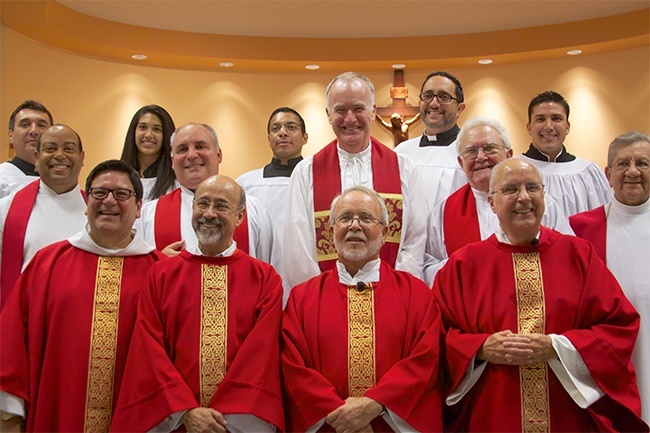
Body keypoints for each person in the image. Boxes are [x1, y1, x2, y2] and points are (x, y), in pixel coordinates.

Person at [432, 158, 646, 432]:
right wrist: (481, 349)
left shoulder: (579, 255)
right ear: (491, 202)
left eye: (532, 187)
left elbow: (618, 327)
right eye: (510, 189)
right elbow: (437, 337)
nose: (524, 198)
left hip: (568, 414)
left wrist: (557, 347)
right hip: (492, 412)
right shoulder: (463, 265)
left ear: (544, 196)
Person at [0, 160, 165, 433]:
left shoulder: (160, 272)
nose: (109, 201)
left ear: (138, 208)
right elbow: (11, 344)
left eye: (122, 194)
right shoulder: (47, 264)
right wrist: (9, 416)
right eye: (99, 193)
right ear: (86, 204)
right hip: (58, 415)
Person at [111, 175, 284, 433]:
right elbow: (148, 349)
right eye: (202, 204)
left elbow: (261, 355)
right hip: (177, 421)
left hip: (237, 425)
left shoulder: (264, 278)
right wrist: (185, 411)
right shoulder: (162, 275)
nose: (209, 213)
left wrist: (224, 417)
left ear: (239, 217)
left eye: (221, 206)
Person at [282, 186, 443, 432]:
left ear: (385, 231)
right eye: (345, 218)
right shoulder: (302, 298)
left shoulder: (416, 294)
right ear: (331, 229)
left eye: (366, 218)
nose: (354, 226)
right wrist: (342, 417)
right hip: (330, 426)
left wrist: (375, 405)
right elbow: (294, 367)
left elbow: (425, 361)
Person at [283, 72, 427, 293]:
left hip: (391, 297)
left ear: (373, 112)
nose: (350, 119)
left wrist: (396, 290)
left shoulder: (403, 168)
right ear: (328, 114)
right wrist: (320, 296)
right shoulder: (306, 172)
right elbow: (297, 248)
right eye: (340, 110)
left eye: (359, 108)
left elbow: (415, 239)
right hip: (326, 301)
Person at [423, 117, 573, 285]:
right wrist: (468, 267)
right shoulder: (444, 211)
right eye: (471, 151)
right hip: (473, 306)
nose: (480, 157)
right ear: (461, 161)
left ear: (508, 154)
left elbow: (566, 254)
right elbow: (428, 266)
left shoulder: (539, 202)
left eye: (489, 148)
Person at [570, 131, 650, 422]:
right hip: (609, 351)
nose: (632, 172)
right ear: (607, 173)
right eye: (622, 164)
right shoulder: (582, 229)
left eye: (642, 163)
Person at [139, 122, 277, 267]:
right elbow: (141, 276)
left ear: (218, 155)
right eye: (182, 149)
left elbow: (266, 270)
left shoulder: (252, 208)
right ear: (173, 162)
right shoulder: (150, 213)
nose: (192, 155)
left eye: (200, 146)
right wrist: (156, 263)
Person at [0, 124, 86, 309]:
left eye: (69, 148)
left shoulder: (98, 213)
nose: (60, 155)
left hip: (81, 317)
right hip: (26, 318)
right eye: (50, 148)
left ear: (82, 158)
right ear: (37, 159)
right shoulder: (5, 210)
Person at [519, 90, 612, 216]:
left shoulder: (589, 173)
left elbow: (605, 219)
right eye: (540, 119)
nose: (548, 126)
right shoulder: (512, 172)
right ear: (529, 127)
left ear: (567, 126)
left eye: (556, 118)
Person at [395, 71, 468, 209]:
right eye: (428, 96)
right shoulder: (401, 153)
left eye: (444, 97)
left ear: (459, 108)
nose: (434, 104)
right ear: (419, 103)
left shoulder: (470, 153)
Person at [236, 106, 308, 238]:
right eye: (275, 129)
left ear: (305, 137)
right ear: (269, 138)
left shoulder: (315, 179)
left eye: (291, 127)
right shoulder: (246, 184)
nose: (283, 133)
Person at [120, 104, 177, 201]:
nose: (148, 135)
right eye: (143, 127)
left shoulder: (176, 184)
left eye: (156, 129)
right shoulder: (120, 178)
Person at [0, 100, 53, 198]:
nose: (34, 131)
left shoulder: (61, 182)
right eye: (25, 125)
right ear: (10, 135)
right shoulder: (2, 177)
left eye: (41, 125)